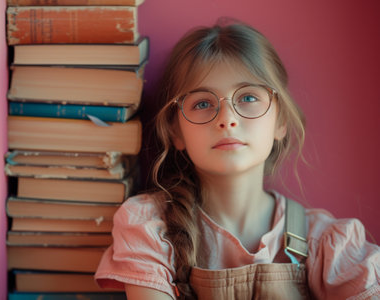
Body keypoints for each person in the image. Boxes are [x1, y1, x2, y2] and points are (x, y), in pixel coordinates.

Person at [94, 21, 380, 299]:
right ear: (176, 132)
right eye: (203, 103)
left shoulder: (329, 244)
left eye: (248, 97)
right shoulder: (150, 226)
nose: (227, 119)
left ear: (280, 121)